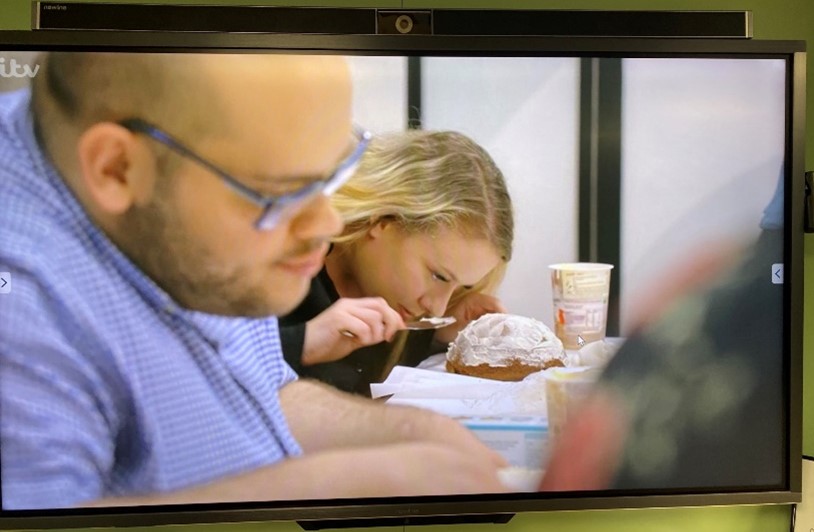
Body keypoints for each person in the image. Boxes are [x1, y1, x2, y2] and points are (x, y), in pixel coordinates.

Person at [0, 52, 512, 510]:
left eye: (332, 176)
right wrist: (323, 484)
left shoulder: (191, 226)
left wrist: (410, 433)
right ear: (116, 168)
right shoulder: (22, 315)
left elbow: (266, 387)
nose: (327, 224)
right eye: (280, 193)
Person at [279, 130, 514, 395]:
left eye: (459, 286)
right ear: (384, 222)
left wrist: (440, 335)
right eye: (439, 276)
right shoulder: (279, 251)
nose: (436, 308)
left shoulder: (416, 312)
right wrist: (302, 343)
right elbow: (224, 364)